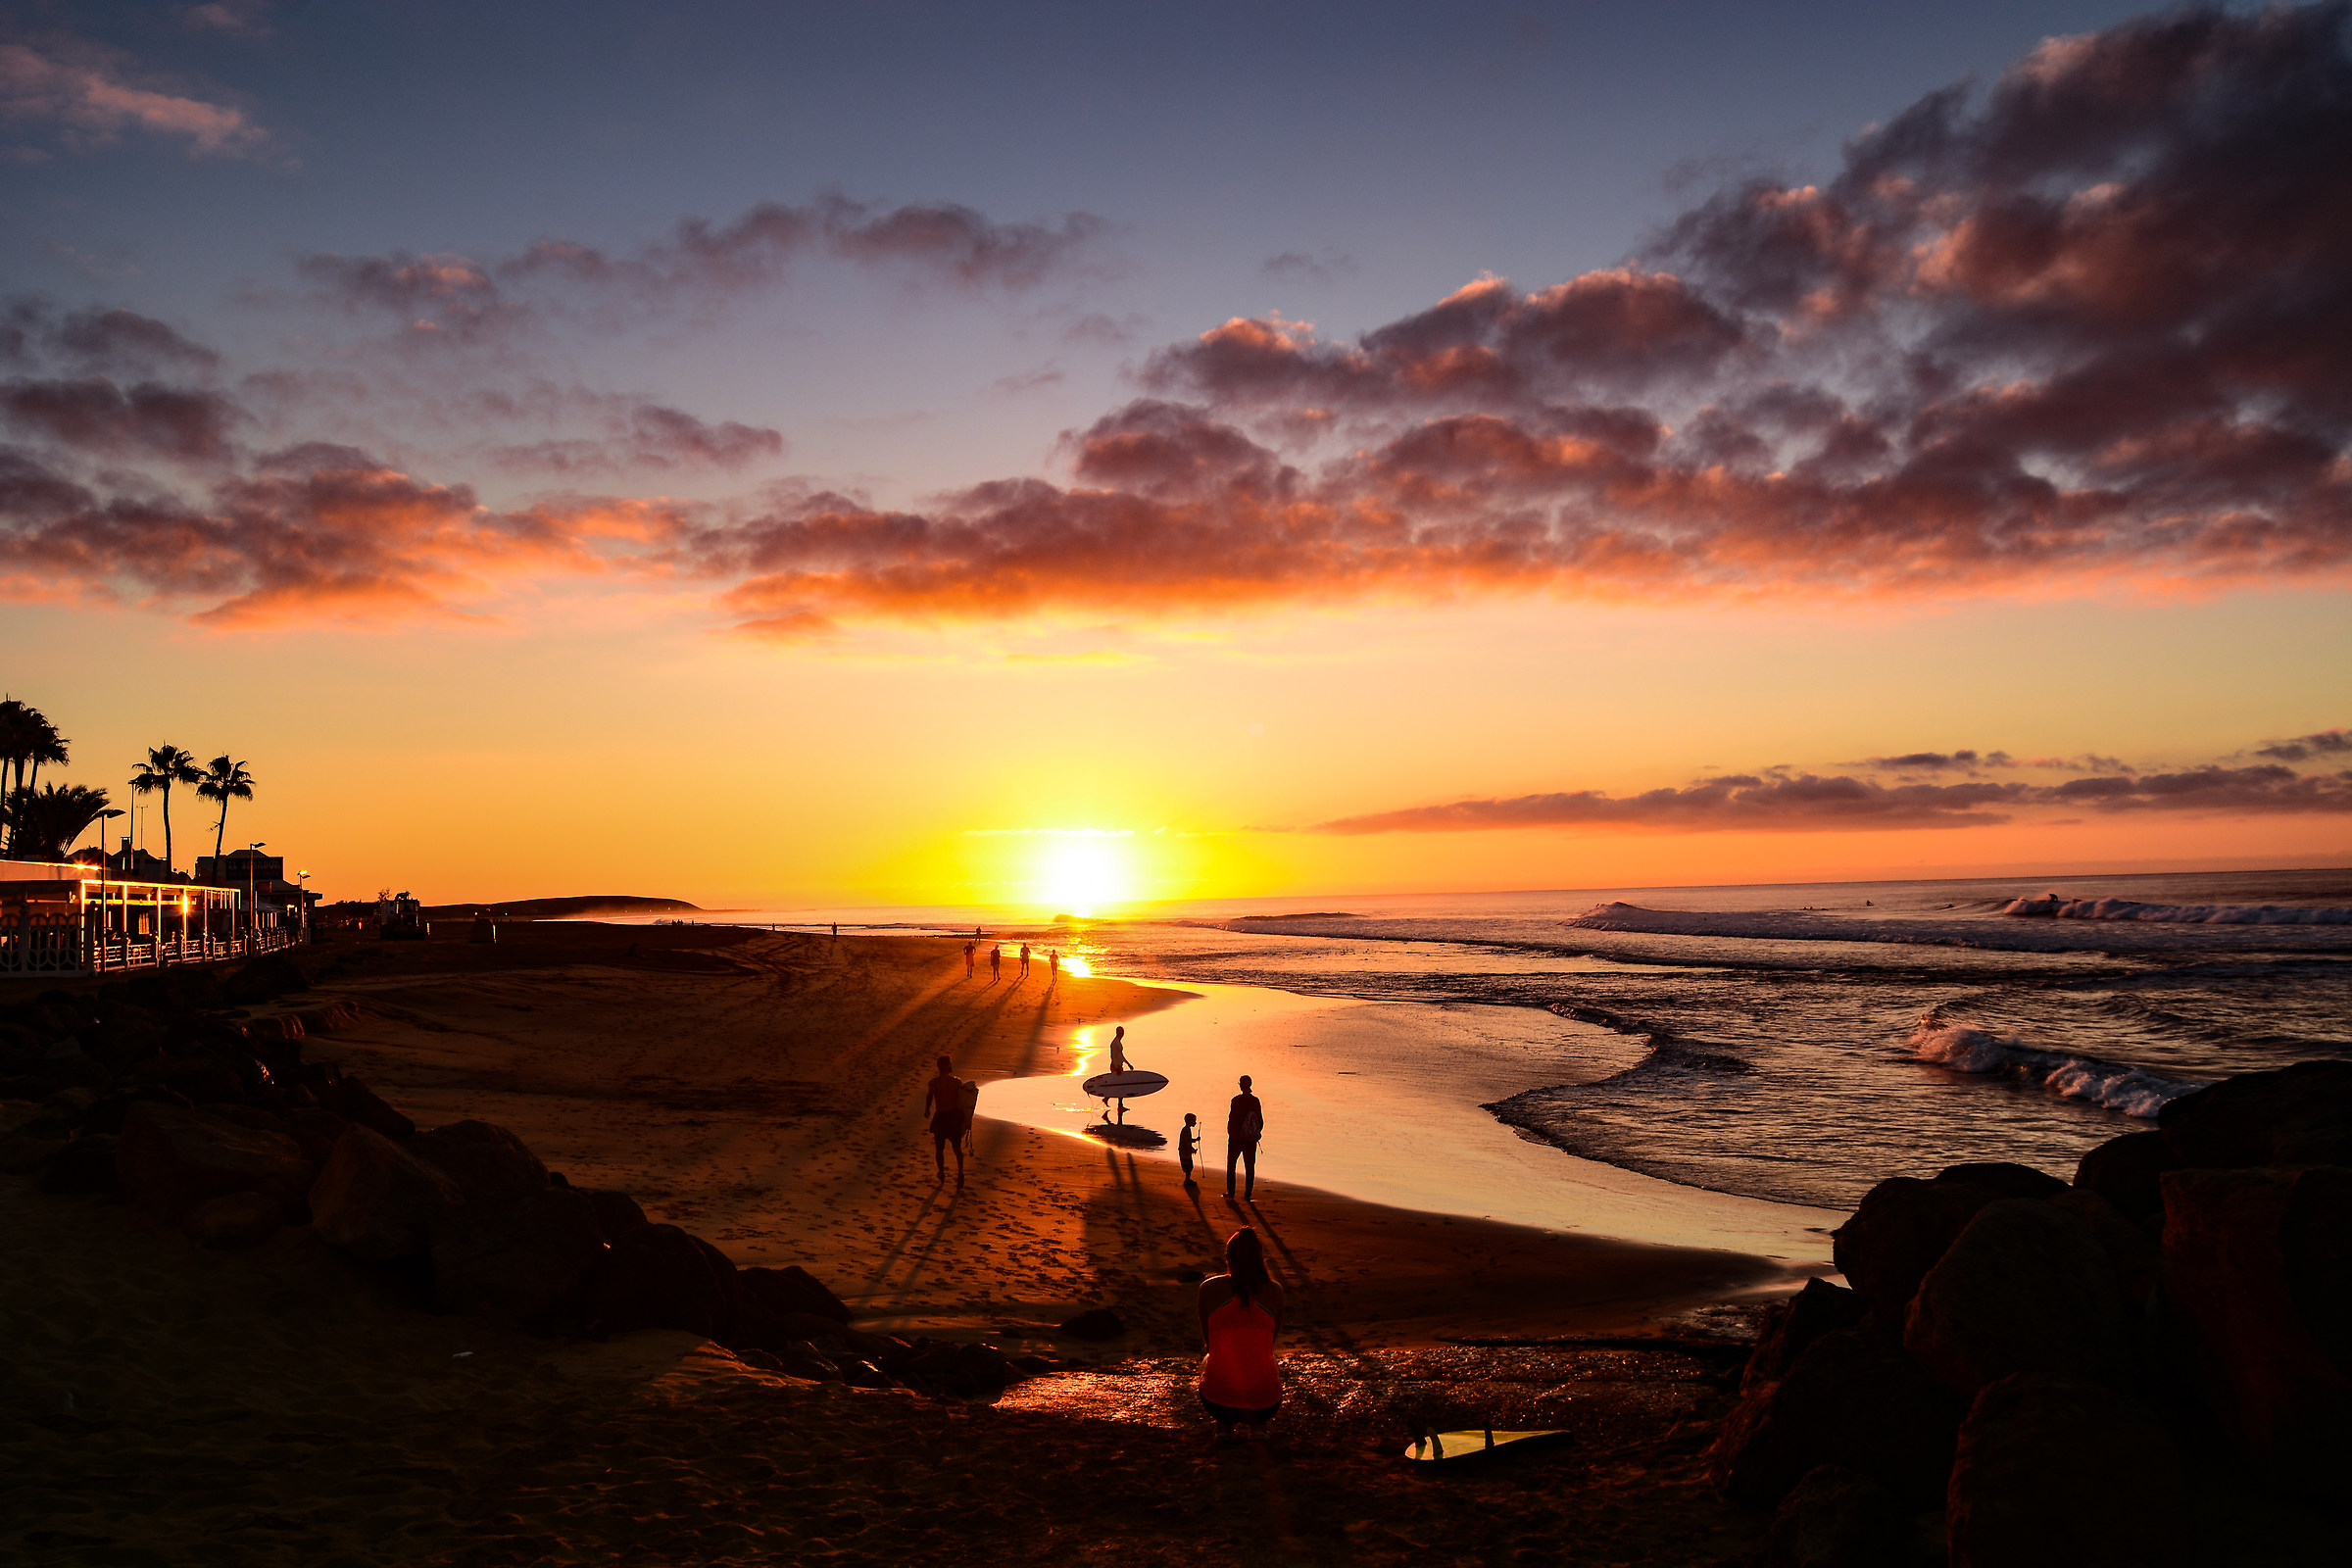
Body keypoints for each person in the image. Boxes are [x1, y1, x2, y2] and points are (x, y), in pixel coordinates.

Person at [1198, 1227, 1282, 1441]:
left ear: (1228, 1258)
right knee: (1262, 1355)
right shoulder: (1275, 1291)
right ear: (1259, 1257)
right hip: (1266, 1404)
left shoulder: (1208, 1288)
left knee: (1211, 1356)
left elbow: (1210, 1344)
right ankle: (1258, 1427)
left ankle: (1224, 1425)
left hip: (1216, 1402)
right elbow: (1269, 1343)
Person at [923, 1055, 967, 1182]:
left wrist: (927, 1110)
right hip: (953, 1117)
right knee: (957, 1148)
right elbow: (963, 1100)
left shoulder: (934, 1083)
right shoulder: (957, 1082)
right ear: (947, 1066)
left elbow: (930, 1096)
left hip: (941, 1117)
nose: (951, 1066)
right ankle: (960, 1173)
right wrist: (965, 1118)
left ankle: (941, 1173)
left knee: (939, 1149)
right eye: (950, 1064)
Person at [1226, 1074, 1263, 1200]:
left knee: (1231, 1165)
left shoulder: (1236, 1100)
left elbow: (1232, 1119)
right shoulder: (1255, 1101)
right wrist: (1254, 1134)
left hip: (1236, 1138)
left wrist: (1232, 1133)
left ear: (1241, 1085)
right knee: (1250, 1167)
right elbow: (1260, 1121)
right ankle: (1248, 1194)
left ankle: (1231, 1193)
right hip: (1250, 1140)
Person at [1178, 1112, 1199, 1186]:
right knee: (1188, 1167)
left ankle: (1187, 1179)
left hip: (1184, 1151)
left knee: (1189, 1166)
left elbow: (1188, 1140)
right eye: (1194, 1121)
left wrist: (1195, 1140)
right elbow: (1186, 1142)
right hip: (1185, 1152)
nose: (1195, 1122)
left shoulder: (1186, 1129)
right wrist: (1192, 1149)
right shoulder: (1186, 1130)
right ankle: (1187, 1180)